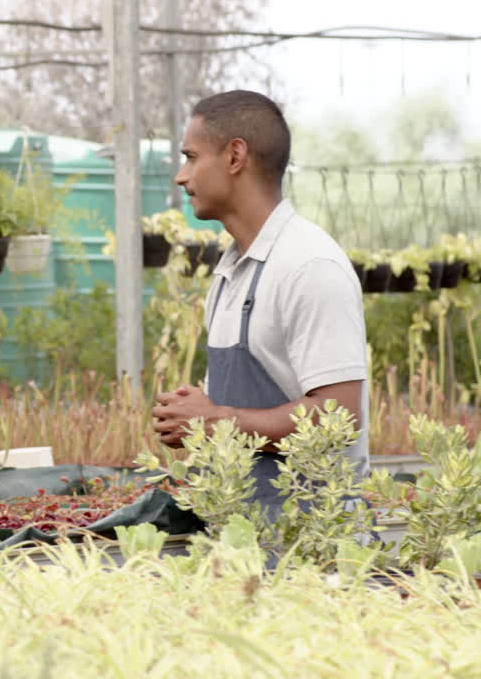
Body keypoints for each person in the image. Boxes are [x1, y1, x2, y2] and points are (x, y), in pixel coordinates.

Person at [150, 90, 369, 518]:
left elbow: (340, 416)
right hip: (245, 539)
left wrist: (215, 420)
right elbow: (233, 410)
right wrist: (194, 413)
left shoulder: (309, 265)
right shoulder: (233, 270)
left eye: (191, 157)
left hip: (311, 547)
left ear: (235, 156)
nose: (181, 175)